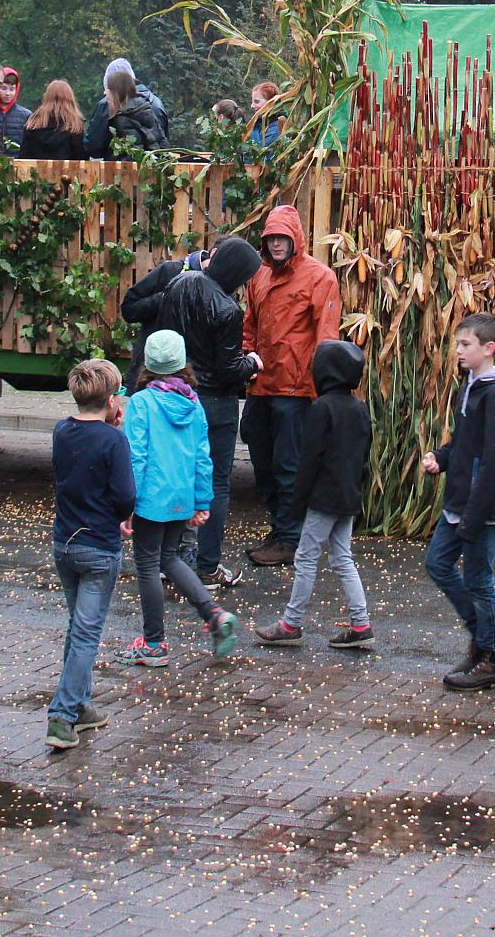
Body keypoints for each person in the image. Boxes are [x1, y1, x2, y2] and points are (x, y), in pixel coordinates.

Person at [118, 330, 242, 669]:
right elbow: (204, 457)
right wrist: (202, 501)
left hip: (149, 498)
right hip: (180, 495)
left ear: (148, 362)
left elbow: (135, 457)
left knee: (147, 565)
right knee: (169, 558)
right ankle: (214, 614)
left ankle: (154, 643)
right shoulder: (193, 403)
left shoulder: (141, 403)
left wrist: (127, 504)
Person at [421, 311, 495, 692]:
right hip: (460, 501)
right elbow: (465, 445)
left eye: (465, 344)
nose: (458, 351)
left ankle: (493, 660)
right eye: (458, 344)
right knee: (437, 563)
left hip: (482, 507)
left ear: (489, 348)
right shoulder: (469, 388)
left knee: (480, 580)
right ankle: (483, 635)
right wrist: (441, 458)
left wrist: (475, 515)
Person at [151, 234, 262, 588]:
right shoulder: (228, 309)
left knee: (177, 475)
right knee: (214, 482)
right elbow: (228, 369)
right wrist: (252, 363)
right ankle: (207, 566)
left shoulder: (179, 284)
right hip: (215, 403)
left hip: (175, 390)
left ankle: (169, 559)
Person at [253, 340, 376, 650]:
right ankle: (361, 623)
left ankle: (290, 623)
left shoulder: (321, 409)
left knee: (306, 558)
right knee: (342, 558)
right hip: (348, 497)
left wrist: (297, 502)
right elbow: (364, 457)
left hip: (323, 498)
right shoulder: (360, 408)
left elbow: (309, 460)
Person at [241, 204, 342, 567]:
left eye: (282, 237)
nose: (276, 244)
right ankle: (281, 526)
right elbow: (250, 324)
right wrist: (247, 360)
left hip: (296, 389)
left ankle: (290, 538)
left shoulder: (319, 277)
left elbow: (326, 336)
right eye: (271, 238)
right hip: (262, 384)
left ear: (296, 238)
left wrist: (322, 388)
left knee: (288, 465)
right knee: (262, 460)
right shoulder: (259, 276)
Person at [47, 358, 136, 751]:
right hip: (99, 546)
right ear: (113, 401)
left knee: (76, 628)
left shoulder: (62, 431)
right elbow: (125, 495)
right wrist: (122, 517)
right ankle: (62, 715)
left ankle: (80, 706)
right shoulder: (114, 441)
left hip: (64, 542)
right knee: (86, 633)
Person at [120, 246, 203, 376]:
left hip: (188, 377)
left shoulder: (218, 290)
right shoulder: (170, 271)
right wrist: (164, 298)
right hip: (148, 373)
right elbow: (129, 309)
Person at [84, 58, 169, 158]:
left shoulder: (113, 108)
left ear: (115, 88)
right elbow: (163, 144)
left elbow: (94, 146)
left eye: (108, 88)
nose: (105, 92)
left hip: (123, 166)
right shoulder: (155, 103)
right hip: (153, 163)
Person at [18, 79, 88, 160]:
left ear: (46, 97)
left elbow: (23, 157)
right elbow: (82, 158)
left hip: (35, 168)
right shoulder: (75, 127)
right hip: (67, 168)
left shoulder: (33, 124)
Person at [0, 67, 31, 154]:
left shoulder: (26, 115)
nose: (8, 93)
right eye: (3, 88)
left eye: (12, 89)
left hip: (17, 161)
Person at [247, 81, 283, 149]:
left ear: (271, 102)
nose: (252, 106)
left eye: (256, 102)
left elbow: (260, 152)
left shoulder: (277, 128)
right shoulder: (257, 124)